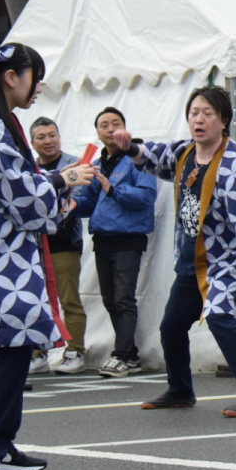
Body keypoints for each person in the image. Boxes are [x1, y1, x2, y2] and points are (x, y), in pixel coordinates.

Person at [112, 87, 236, 417]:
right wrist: (128, 146)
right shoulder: (185, 153)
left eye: (208, 114)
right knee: (171, 326)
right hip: (191, 257)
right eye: (194, 113)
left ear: (224, 121)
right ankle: (180, 389)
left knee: (218, 316)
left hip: (226, 259)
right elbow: (155, 157)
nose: (199, 120)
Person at [0, 38, 96, 470]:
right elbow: (24, 197)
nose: (37, 89)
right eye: (35, 78)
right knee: (9, 344)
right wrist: (63, 178)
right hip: (2, 255)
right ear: (12, 77)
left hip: (4, 251)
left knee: (9, 347)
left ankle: (0, 442)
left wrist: (55, 184)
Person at [71, 107, 159, 378]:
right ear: (97, 132)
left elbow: (147, 196)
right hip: (103, 238)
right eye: (104, 125)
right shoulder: (98, 161)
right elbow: (90, 203)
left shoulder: (138, 158)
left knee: (123, 298)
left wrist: (113, 188)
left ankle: (121, 355)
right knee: (110, 299)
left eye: (115, 124)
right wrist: (71, 201)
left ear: (125, 128)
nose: (110, 129)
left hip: (128, 237)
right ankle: (129, 353)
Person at [27, 117, 87, 375]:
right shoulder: (28, 168)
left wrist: (63, 205)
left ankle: (75, 351)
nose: (48, 141)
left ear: (59, 137)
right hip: (34, 248)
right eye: (41, 137)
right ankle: (37, 352)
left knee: (68, 299)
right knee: (35, 301)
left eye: (52, 135)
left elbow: (82, 196)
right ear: (32, 142)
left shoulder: (72, 164)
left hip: (64, 244)